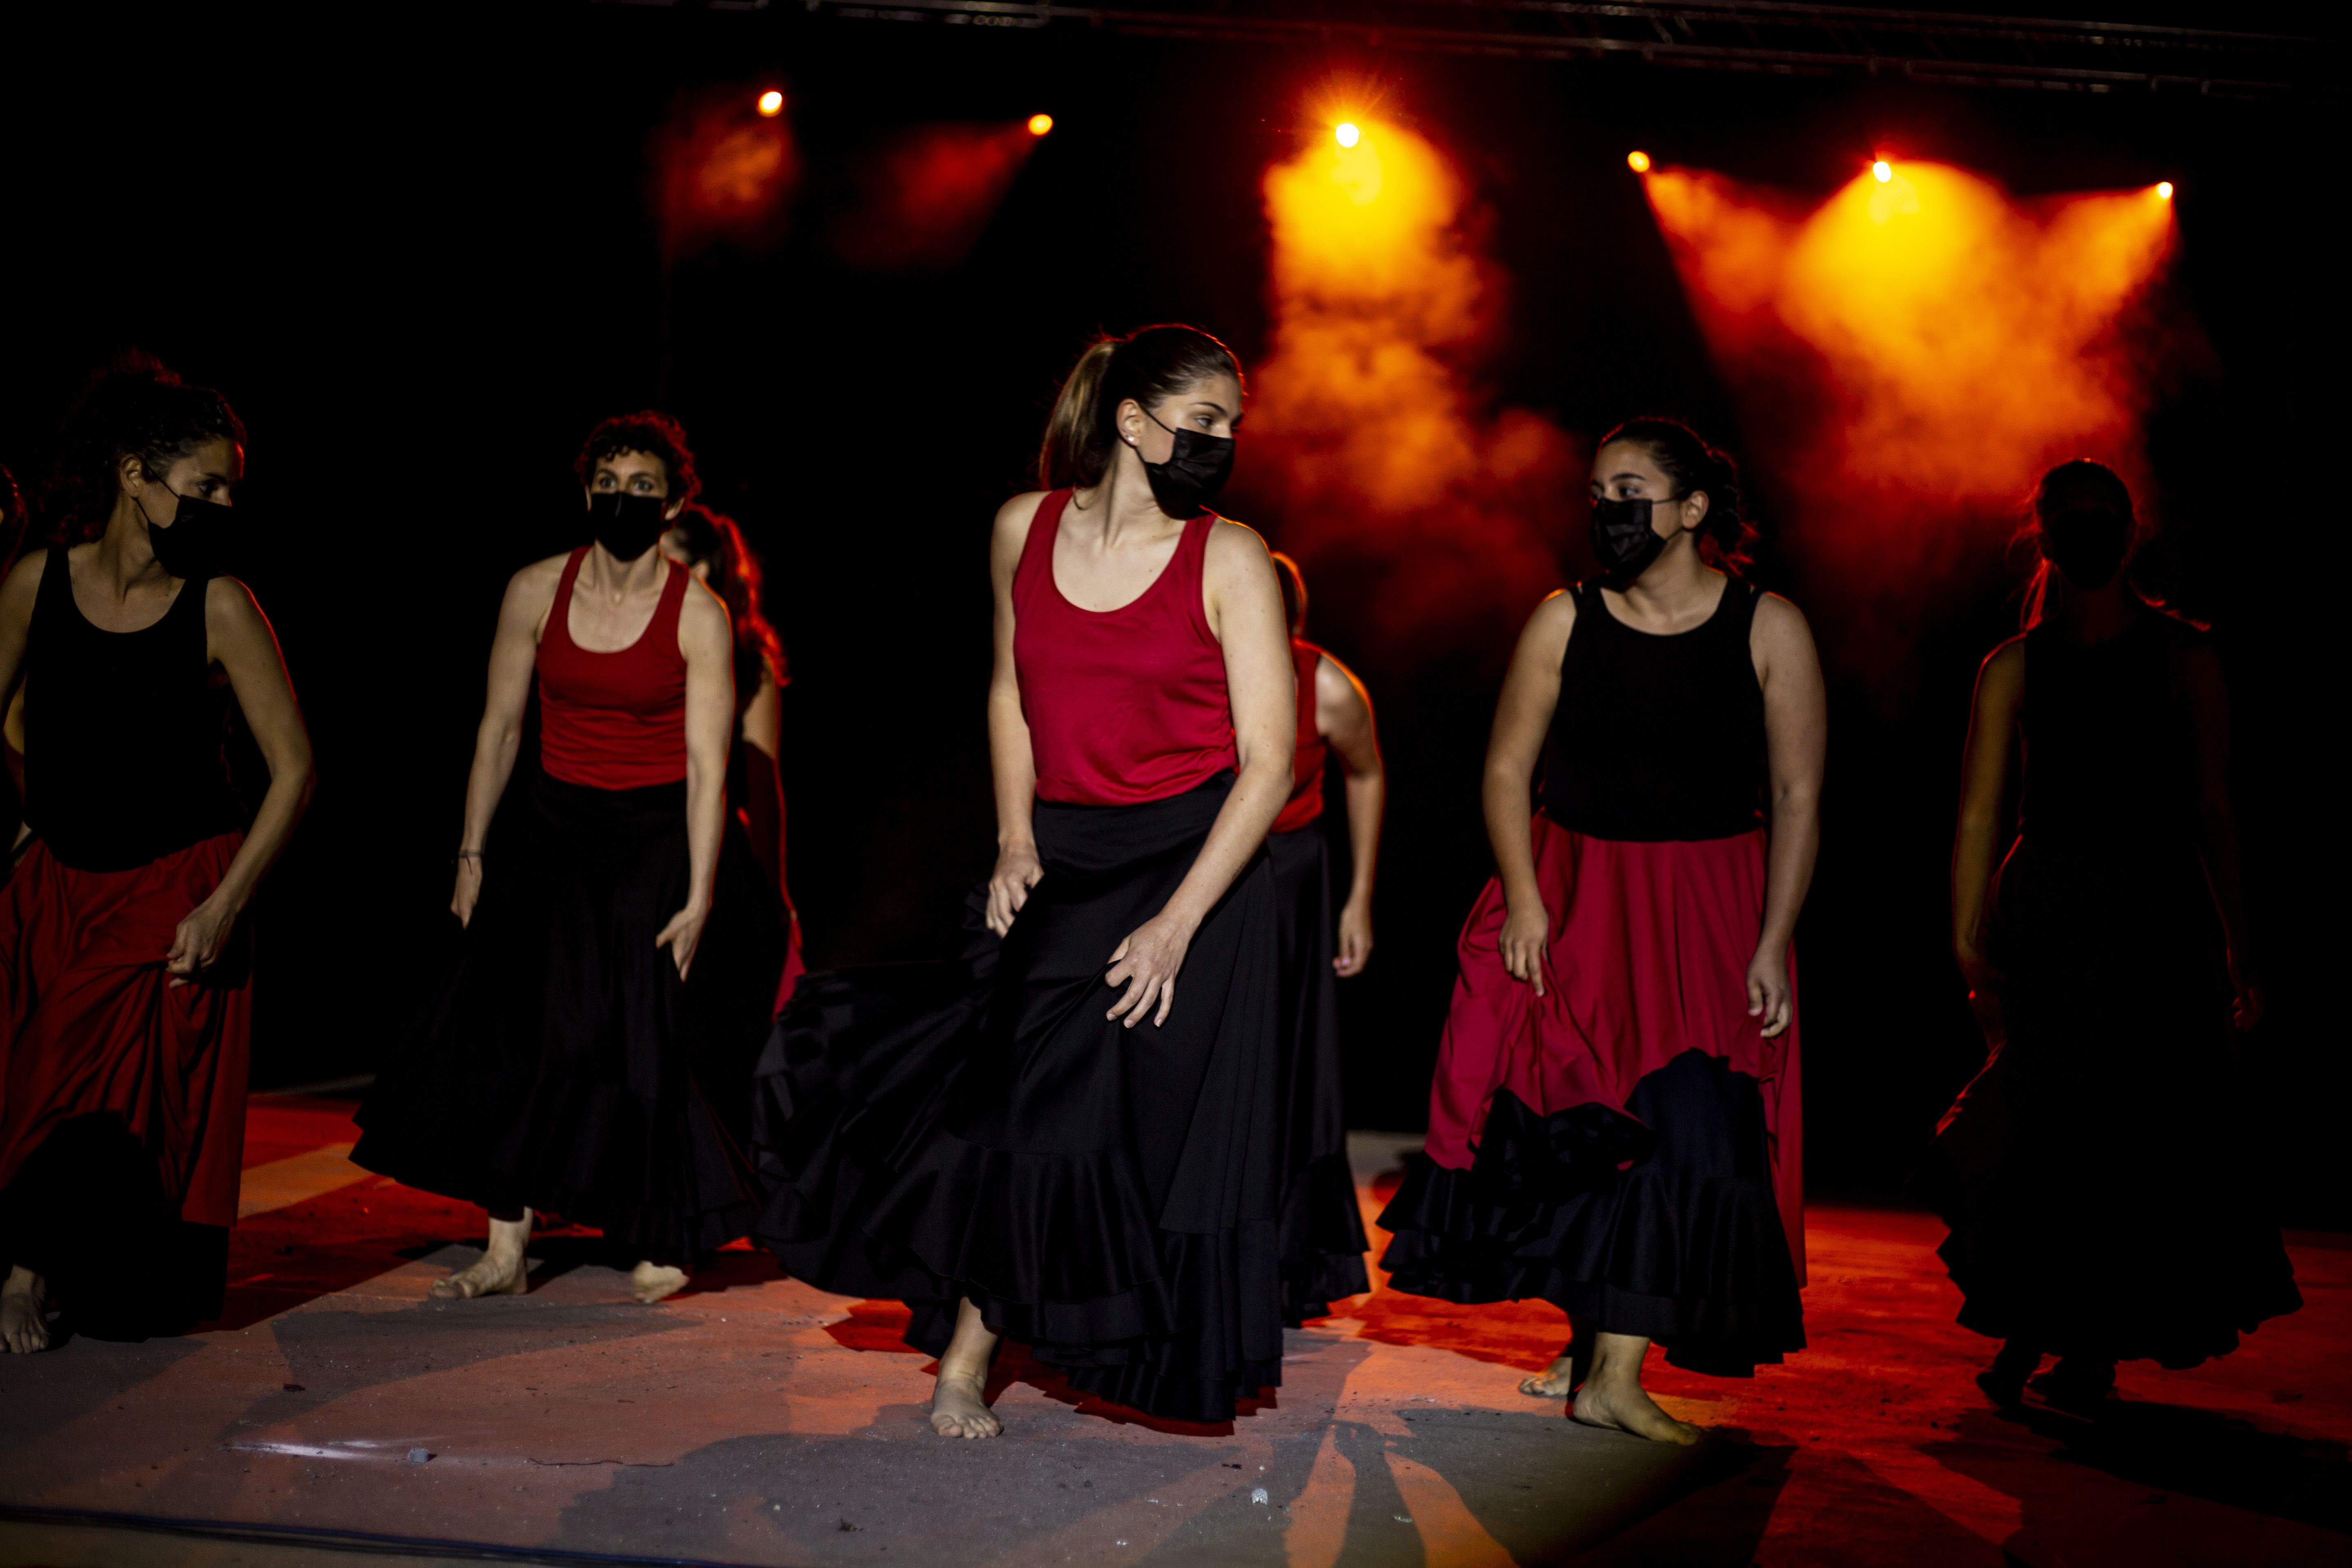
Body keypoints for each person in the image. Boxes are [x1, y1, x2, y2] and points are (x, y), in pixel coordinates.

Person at [751, 324, 1294, 1439]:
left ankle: (1128, 1349)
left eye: (1233, 428)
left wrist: (1177, 925)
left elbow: (1273, 760)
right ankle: (967, 1355)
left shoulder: (1230, 555)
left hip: (1199, 862)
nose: (1223, 445)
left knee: (1152, 1131)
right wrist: (1012, 838)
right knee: (1032, 1112)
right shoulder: (1024, 527)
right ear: (1133, 425)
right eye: (1203, 424)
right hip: (1069, 852)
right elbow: (1008, 691)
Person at [1376, 417, 1822, 1444]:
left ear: (1691, 510)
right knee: (1583, 1126)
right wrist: (1526, 899)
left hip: (1708, 907)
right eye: (1596, 493)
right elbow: (1501, 770)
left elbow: (1797, 793)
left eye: (1628, 492)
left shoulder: (1766, 626)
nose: (1605, 512)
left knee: (1697, 1124)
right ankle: (1599, 1363)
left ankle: (1604, 1367)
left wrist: (1769, 939)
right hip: (1579, 894)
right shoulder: (1561, 619)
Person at [352, 412, 786, 1306]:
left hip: (652, 835)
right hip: (551, 827)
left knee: (641, 1033)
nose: (622, 500)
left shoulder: (698, 614)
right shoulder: (535, 589)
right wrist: (471, 851)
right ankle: (506, 1247)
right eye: (608, 483)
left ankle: (665, 1230)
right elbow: (499, 728)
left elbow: (711, 769)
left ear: (671, 504)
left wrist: (703, 890)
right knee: (516, 1029)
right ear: (585, 490)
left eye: (642, 488)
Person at [1926, 459, 2298, 1413]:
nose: (2088, 530)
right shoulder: (2012, 664)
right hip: (2050, 908)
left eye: (2104, 515)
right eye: (2071, 517)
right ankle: (2042, 1323)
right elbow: (1978, 811)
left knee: (2129, 1130)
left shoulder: (2183, 656)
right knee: (2051, 1124)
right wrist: (1969, 937)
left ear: (2127, 531)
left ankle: (2070, 1338)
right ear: (2044, 535)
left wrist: (2237, 946)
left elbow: (2215, 807)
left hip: (2148, 911)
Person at [0, 356, 314, 1352]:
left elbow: (296, 768)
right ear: (137, 474)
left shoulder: (221, 603)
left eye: (230, 489)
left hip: (178, 875)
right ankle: (61, 1260)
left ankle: (23, 1271)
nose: (222, 503)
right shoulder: (33, 583)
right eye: (204, 485)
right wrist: (25, 814)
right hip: (60, 879)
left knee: (78, 1064)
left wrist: (225, 903)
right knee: (41, 1074)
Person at [1264, 551, 1381, 1323]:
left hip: (1284, 878)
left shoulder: (1326, 685)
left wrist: (1359, 899)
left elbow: (1365, 774)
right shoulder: (1182, 673)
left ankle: (1283, 1264)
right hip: (1189, 871)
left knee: (1282, 1069)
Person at [659, 503, 804, 1018]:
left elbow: (764, 786)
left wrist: (778, 897)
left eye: (663, 562)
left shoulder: (747, 662)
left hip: (715, 857)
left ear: (700, 570)